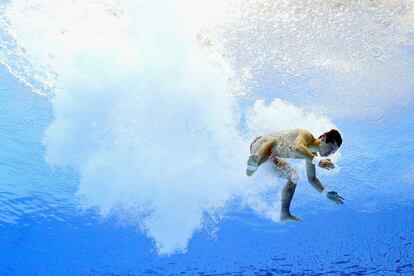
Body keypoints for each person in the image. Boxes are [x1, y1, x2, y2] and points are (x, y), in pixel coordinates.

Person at [247, 129, 344, 221]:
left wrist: (326, 193)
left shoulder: (311, 155)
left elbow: (312, 179)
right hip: (261, 145)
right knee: (271, 141)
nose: (329, 153)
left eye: (332, 152)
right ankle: (253, 165)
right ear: (324, 137)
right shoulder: (306, 135)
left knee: (294, 177)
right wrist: (318, 162)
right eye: (331, 148)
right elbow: (298, 148)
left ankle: (284, 214)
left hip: (270, 157)